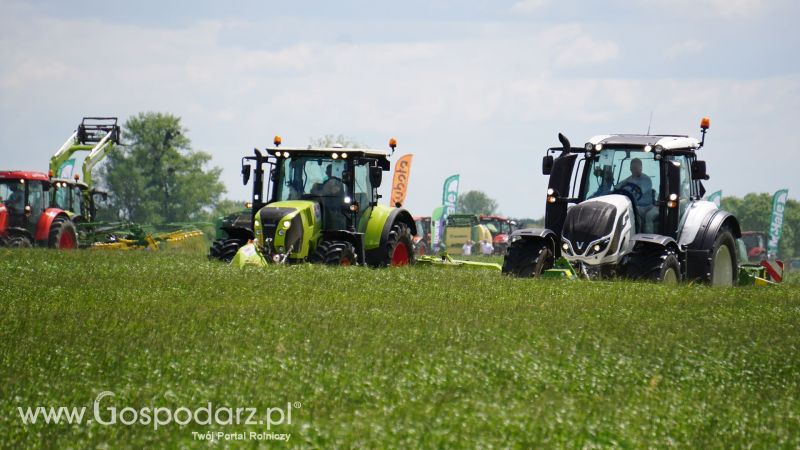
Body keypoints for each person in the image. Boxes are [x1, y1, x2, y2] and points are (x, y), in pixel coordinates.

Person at [616, 158, 657, 233]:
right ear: (630, 169)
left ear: (641, 168)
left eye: (636, 168)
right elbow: (617, 188)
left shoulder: (646, 180)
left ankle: (647, 238)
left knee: (646, 216)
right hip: (635, 206)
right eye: (633, 168)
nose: (634, 170)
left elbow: (638, 191)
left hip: (647, 207)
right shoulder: (628, 180)